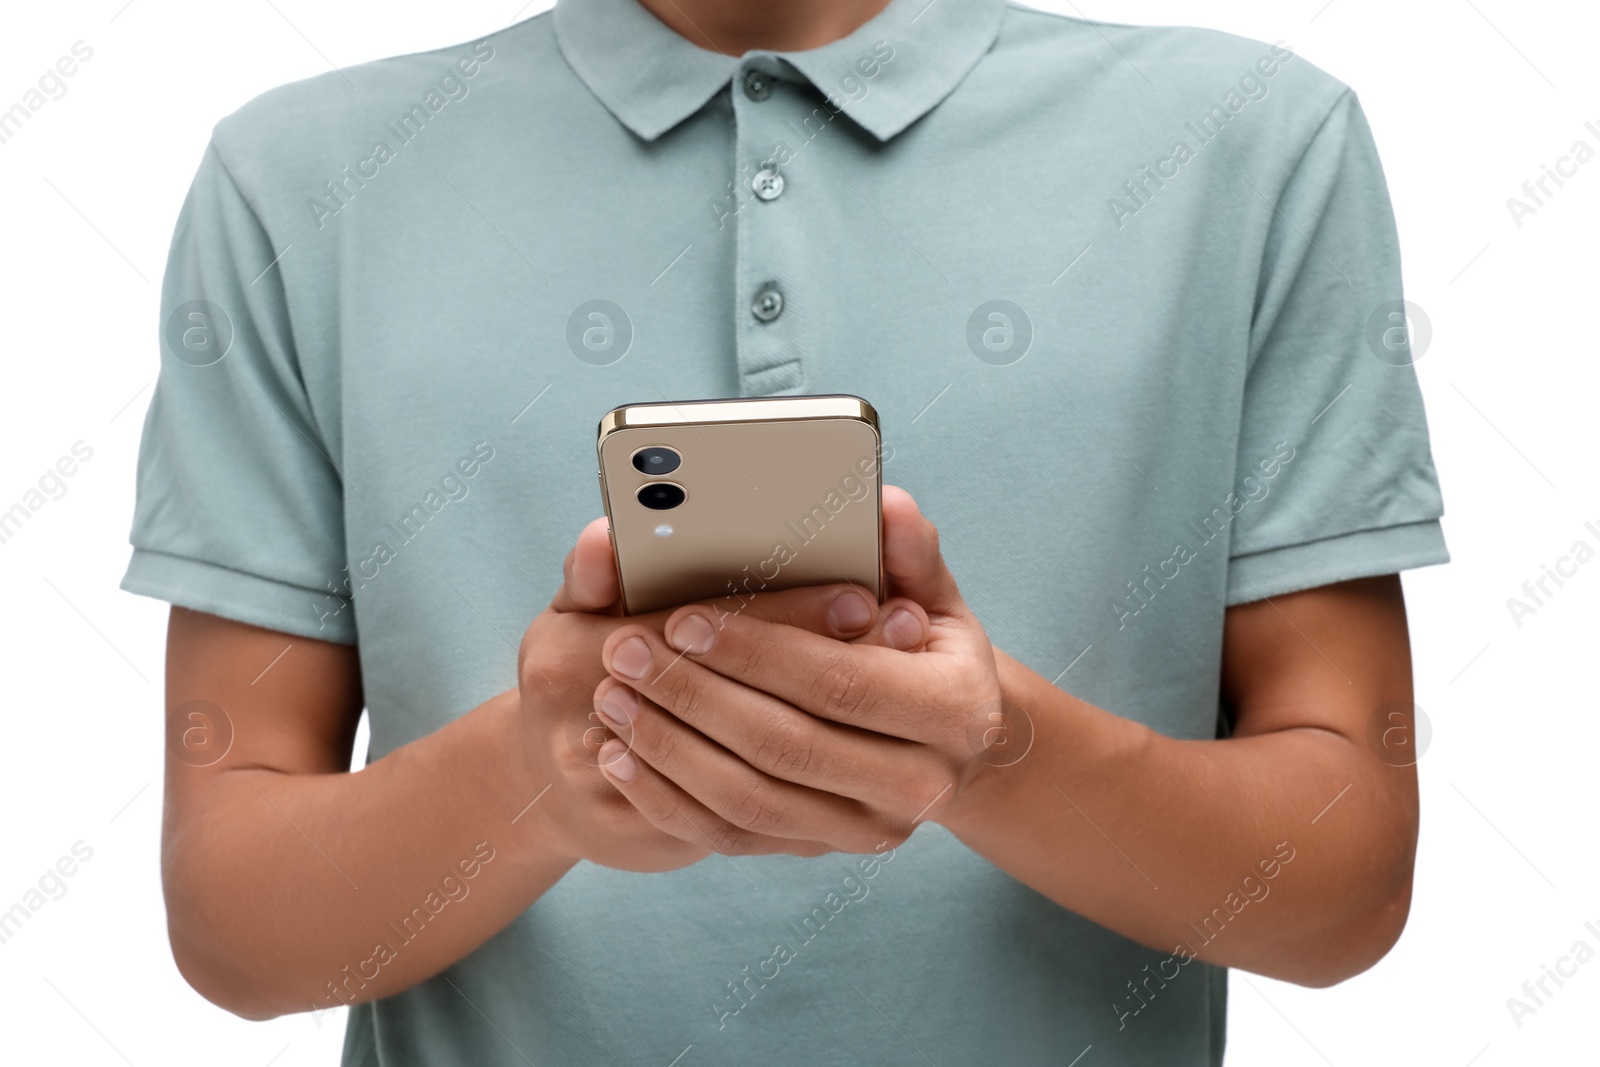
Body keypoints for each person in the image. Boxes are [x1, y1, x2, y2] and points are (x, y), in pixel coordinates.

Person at [122, 0, 1448, 1062]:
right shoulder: (294, 182)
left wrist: (988, 750)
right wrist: (535, 775)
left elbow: (1346, 890)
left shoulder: (1257, 144)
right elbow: (231, 925)